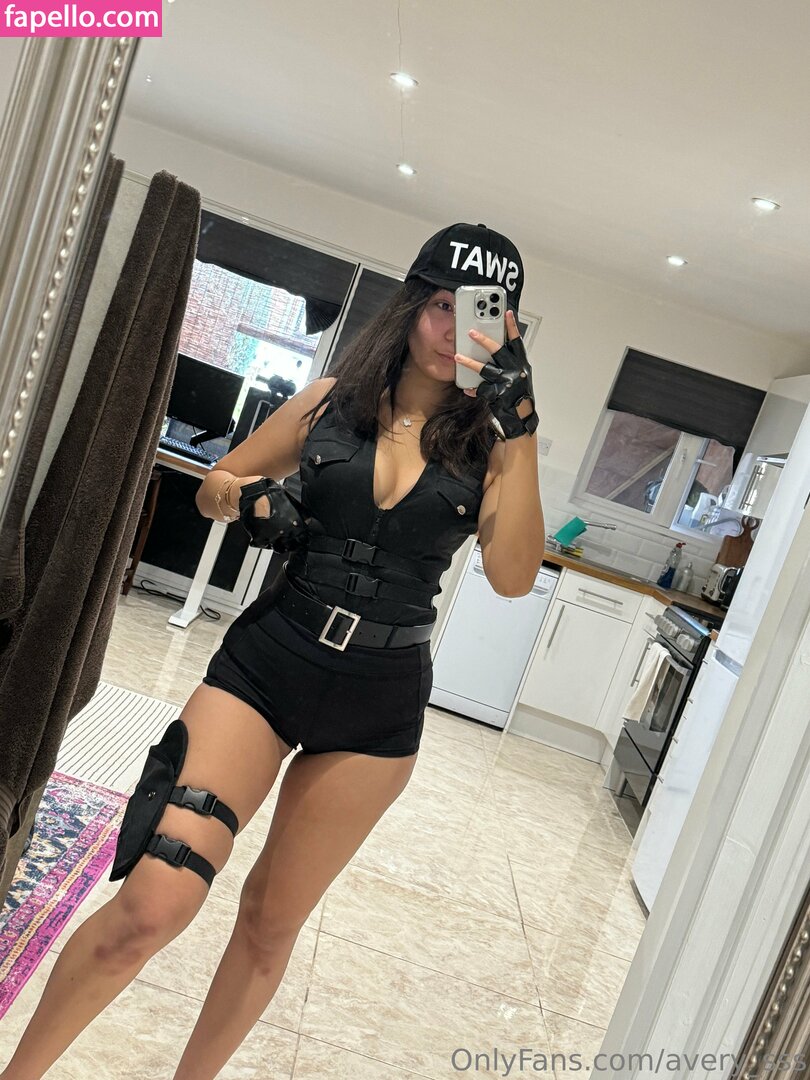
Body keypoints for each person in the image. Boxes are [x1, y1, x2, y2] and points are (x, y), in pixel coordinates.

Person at [1, 222, 546, 1080]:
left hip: (377, 706)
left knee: (267, 926)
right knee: (154, 899)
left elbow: (513, 577)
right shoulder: (331, 401)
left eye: (481, 312)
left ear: (506, 328)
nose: (454, 330)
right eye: (442, 305)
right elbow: (217, 481)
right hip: (267, 665)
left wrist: (520, 433)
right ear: (411, 306)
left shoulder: (495, 450)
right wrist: (251, 501)